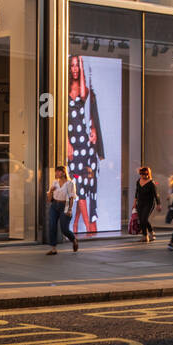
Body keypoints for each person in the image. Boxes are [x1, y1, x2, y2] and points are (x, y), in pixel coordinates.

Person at [67, 54, 104, 235]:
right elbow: (61, 119)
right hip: (72, 140)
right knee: (78, 185)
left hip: (85, 140)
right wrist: (66, 142)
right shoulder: (62, 90)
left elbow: (83, 94)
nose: (74, 68)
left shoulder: (84, 89)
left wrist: (82, 63)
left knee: (88, 185)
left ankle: (82, 224)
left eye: (77, 65)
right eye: (72, 65)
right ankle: (88, 225)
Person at [45, 164, 79, 255]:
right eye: (55, 171)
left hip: (65, 206)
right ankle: (53, 248)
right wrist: (51, 191)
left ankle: (74, 240)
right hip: (54, 205)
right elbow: (49, 200)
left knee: (64, 229)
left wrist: (70, 209)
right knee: (52, 226)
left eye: (58, 171)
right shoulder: (55, 182)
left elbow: (71, 198)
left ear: (64, 173)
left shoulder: (70, 183)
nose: (56, 173)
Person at [133, 166, 159, 243]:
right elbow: (137, 193)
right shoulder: (138, 181)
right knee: (142, 219)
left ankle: (149, 234)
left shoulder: (151, 183)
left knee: (144, 218)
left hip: (149, 203)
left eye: (144, 174)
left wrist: (158, 204)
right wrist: (134, 203)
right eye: (141, 174)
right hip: (140, 203)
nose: (143, 175)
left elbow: (156, 194)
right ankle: (146, 235)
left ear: (148, 173)